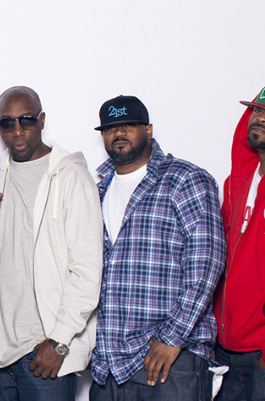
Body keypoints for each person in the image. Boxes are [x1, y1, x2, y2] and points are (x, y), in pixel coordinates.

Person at [0, 86, 102, 401]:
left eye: (27, 120)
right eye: (6, 123)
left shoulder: (72, 178)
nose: (18, 131)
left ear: (42, 120)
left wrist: (60, 341)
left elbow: (88, 269)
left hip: (45, 353)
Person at [89, 95, 225, 400]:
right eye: (110, 128)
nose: (119, 132)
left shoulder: (186, 179)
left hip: (171, 360)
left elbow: (207, 263)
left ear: (148, 130)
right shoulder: (96, 191)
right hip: (109, 366)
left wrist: (172, 338)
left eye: (129, 125)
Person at [213, 86, 265, 401]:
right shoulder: (236, 183)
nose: (260, 118)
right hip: (225, 349)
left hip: (260, 352)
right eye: (257, 110)